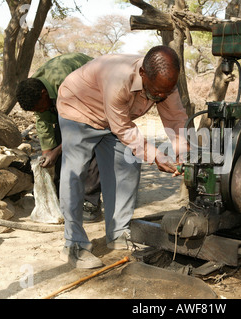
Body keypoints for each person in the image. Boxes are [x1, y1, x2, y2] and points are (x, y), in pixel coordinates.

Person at [56, 45, 189, 268]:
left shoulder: (165, 84)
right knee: (75, 174)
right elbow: (124, 128)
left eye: (166, 92)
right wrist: (155, 155)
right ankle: (73, 244)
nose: (161, 96)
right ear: (143, 74)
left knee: (127, 167)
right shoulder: (118, 79)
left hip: (114, 120)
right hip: (79, 110)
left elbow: (176, 118)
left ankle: (118, 232)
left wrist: (183, 152)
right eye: (156, 91)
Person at [16, 53, 102, 223]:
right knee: (56, 153)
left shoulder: (67, 81)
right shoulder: (34, 88)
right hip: (63, 102)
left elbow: (82, 128)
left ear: (44, 94)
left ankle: (90, 202)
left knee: (91, 151)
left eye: (40, 108)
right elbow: (43, 123)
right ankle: (60, 196)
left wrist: (57, 151)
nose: (40, 112)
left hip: (92, 102)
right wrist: (48, 153)